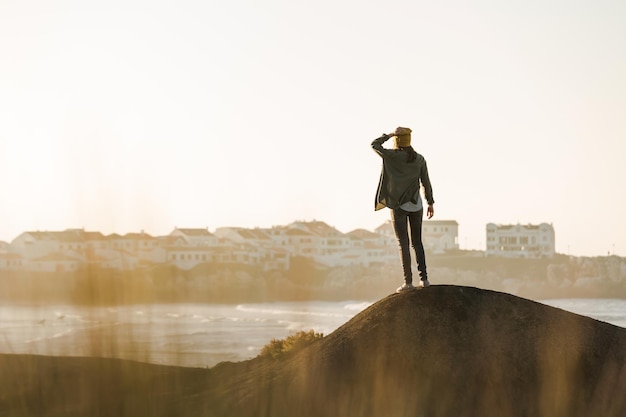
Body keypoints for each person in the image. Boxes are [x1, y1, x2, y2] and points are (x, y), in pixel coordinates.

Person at [371, 127, 435, 292]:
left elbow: (375, 145)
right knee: (417, 242)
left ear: (397, 140)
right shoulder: (419, 159)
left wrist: (389, 135)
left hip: (398, 206)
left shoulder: (392, 156)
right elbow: (426, 183)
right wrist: (430, 203)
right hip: (417, 205)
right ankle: (425, 280)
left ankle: (408, 283)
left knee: (403, 244)